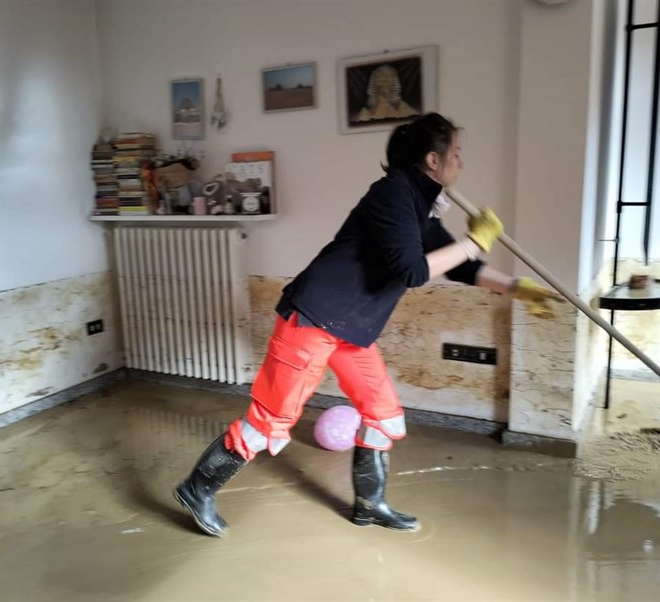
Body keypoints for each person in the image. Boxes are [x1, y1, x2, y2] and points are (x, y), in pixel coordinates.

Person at [173, 112, 563, 537]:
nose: (461, 163)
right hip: (316, 318)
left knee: (381, 413)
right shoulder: (393, 194)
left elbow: (458, 266)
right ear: (433, 160)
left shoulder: (419, 204)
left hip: (351, 328)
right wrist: (474, 241)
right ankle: (198, 488)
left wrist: (515, 288)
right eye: (457, 153)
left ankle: (369, 503)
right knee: (271, 419)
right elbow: (413, 271)